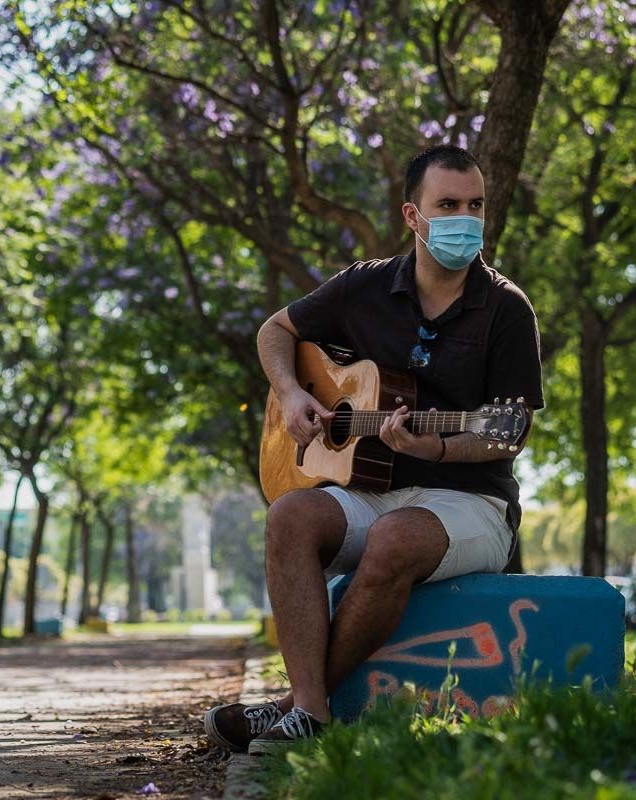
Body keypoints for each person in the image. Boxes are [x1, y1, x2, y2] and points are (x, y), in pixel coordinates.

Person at [203, 144, 544, 755]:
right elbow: (276, 330)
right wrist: (292, 392)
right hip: (372, 488)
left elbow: (508, 432)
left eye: (475, 205)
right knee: (290, 516)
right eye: (448, 205)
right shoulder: (363, 286)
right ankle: (310, 708)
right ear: (413, 216)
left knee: (391, 541)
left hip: (470, 504)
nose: (465, 218)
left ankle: (296, 706)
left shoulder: (507, 310)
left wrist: (435, 449)